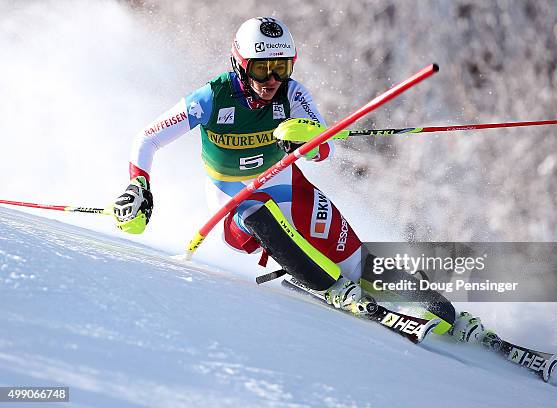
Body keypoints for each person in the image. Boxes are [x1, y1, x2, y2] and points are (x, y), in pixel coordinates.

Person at [113, 16, 491, 342]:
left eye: (281, 66)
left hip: (288, 186)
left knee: (360, 263)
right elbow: (147, 138)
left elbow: (323, 149)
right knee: (259, 213)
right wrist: (138, 184)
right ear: (240, 64)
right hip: (235, 201)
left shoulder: (293, 94)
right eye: (261, 68)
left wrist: (305, 139)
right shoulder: (212, 97)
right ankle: (331, 287)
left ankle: (450, 316)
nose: (272, 79)